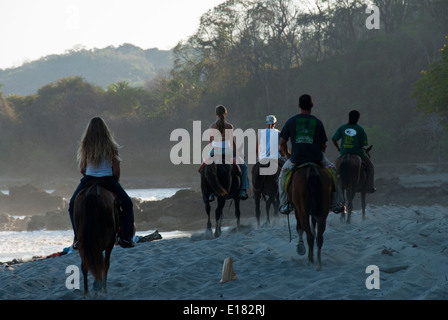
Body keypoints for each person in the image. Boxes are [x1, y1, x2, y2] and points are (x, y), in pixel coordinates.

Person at [68, 117, 135, 248]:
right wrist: (116, 180)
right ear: (105, 130)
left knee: (72, 205)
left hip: (88, 179)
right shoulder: (111, 146)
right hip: (108, 179)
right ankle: (126, 238)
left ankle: (77, 239)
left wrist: (90, 174)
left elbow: (82, 168)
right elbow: (115, 169)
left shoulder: (85, 145)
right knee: (127, 204)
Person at [278, 94, 343, 214]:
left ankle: (284, 203)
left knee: (282, 175)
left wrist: (288, 155)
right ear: (312, 105)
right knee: (333, 172)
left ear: (299, 106)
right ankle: (336, 203)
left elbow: (282, 143)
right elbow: (323, 145)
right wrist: (320, 153)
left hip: (296, 158)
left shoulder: (291, 121)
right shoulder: (317, 122)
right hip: (317, 158)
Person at [207, 105, 249, 200]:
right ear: (225, 114)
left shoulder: (212, 126)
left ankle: (210, 192)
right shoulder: (229, 126)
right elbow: (232, 143)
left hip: (215, 151)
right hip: (228, 151)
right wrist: (238, 155)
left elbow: (210, 142)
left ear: (216, 114)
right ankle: (243, 190)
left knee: (204, 167)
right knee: (244, 167)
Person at [332, 110, 375, 193]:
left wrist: (338, 148)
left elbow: (334, 139)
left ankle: (334, 186)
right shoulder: (360, 129)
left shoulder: (342, 127)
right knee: (370, 167)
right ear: (358, 118)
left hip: (344, 152)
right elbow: (363, 144)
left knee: (333, 168)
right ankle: (369, 186)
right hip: (357, 152)